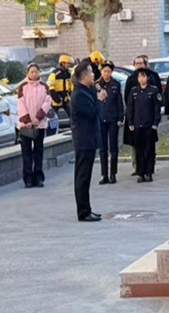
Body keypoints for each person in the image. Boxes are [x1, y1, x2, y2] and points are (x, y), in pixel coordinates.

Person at [69, 63, 102, 221]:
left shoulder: (86, 91)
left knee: (86, 176)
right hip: (83, 140)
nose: (93, 76)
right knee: (82, 177)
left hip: (88, 139)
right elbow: (92, 112)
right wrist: (100, 99)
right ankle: (83, 212)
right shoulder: (79, 94)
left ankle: (87, 208)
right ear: (84, 76)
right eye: (91, 73)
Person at [123, 56, 161, 176]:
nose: (139, 65)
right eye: (136, 63)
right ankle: (139, 171)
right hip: (137, 123)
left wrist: (155, 123)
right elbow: (129, 105)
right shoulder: (132, 85)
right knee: (138, 149)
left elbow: (157, 107)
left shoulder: (153, 84)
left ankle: (149, 171)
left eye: (141, 63)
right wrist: (130, 123)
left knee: (149, 149)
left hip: (149, 124)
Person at [17, 64, 52, 189]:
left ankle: (38, 178)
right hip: (26, 126)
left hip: (40, 125)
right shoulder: (22, 87)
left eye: (36, 72)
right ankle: (28, 179)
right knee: (26, 153)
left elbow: (47, 102)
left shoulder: (44, 87)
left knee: (38, 152)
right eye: (31, 72)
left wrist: (38, 118)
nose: (34, 74)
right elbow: (21, 104)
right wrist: (27, 120)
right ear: (27, 73)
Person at [96, 61, 124, 185]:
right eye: (104, 71)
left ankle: (113, 174)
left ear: (111, 72)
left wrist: (120, 118)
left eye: (108, 71)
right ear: (101, 72)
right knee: (102, 148)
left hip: (113, 119)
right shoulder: (96, 85)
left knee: (113, 147)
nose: (106, 74)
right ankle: (104, 175)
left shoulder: (115, 84)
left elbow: (119, 102)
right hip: (100, 120)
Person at [47, 54, 75, 126]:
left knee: (73, 114)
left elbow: (71, 86)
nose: (69, 65)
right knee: (53, 118)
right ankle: (53, 131)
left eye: (69, 64)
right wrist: (56, 98)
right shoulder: (55, 74)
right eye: (68, 63)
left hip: (65, 98)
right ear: (62, 63)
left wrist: (72, 96)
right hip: (56, 100)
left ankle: (73, 128)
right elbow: (50, 87)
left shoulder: (68, 73)